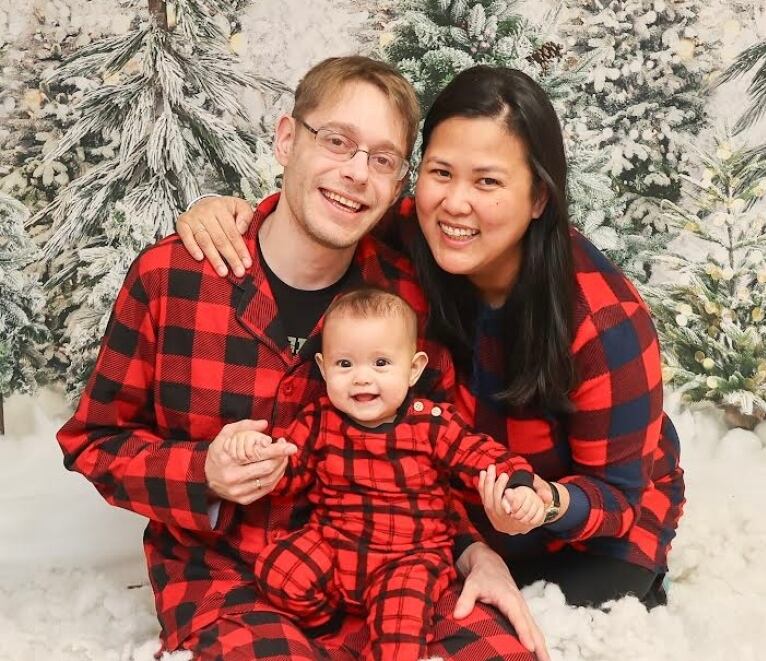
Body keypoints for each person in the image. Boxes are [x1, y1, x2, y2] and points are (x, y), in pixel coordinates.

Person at [57, 56, 548, 661]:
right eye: (337, 141)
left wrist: (477, 551)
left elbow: (431, 447)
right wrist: (202, 475)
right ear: (287, 139)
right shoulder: (172, 279)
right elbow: (94, 439)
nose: (355, 174)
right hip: (230, 576)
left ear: (398, 184)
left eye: (383, 159)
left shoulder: (407, 300)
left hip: (393, 566)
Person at [178, 65, 686, 611]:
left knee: (517, 621)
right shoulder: (414, 233)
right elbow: (328, 207)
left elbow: (617, 497)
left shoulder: (604, 323)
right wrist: (230, 212)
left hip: (583, 530)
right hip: (454, 516)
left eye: (488, 181)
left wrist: (547, 501)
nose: (455, 204)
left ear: (539, 196)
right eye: (441, 173)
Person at [224, 287, 548, 660]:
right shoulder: (318, 420)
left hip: (410, 557)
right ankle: (328, 630)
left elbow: (484, 455)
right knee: (280, 570)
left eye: (380, 364)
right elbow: (287, 474)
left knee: (401, 629)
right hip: (335, 540)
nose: (362, 379)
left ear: (413, 369)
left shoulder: (431, 423)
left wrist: (516, 485)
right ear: (323, 367)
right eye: (345, 364)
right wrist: (259, 453)